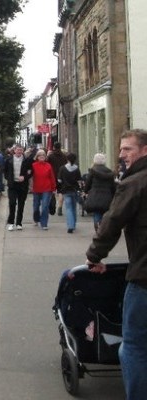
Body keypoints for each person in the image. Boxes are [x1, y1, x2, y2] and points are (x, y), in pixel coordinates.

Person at [84, 129, 147, 400]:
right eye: (120, 150)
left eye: (128, 149)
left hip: (144, 277)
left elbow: (112, 223)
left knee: (132, 346)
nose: (121, 155)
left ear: (144, 151)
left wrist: (94, 256)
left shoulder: (135, 183)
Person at [83, 153, 116, 232]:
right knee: (105, 212)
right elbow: (113, 186)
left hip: (95, 195)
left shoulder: (93, 171)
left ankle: (97, 226)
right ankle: (103, 226)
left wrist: (85, 191)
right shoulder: (109, 172)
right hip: (107, 196)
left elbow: (88, 183)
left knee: (97, 212)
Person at [3, 144, 33, 231]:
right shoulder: (8, 160)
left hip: (23, 185)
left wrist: (25, 177)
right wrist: (9, 178)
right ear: (14, 150)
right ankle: (11, 223)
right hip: (12, 185)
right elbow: (5, 171)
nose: (19, 151)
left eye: (21, 150)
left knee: (21, 204)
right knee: (12, 203)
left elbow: (31, 172)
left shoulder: (27, 160)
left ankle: (19, 223)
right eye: (18, 150)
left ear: (22, 151)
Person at [31, 149, 56, 230]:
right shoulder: (33, 165)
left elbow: (52, 177)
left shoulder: (48, 166)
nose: (42, 157)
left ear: (45, 157)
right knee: (36, 206)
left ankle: (44, 223)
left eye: (43, 156)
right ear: (37, 157)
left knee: (45, 206)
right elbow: (30, 177)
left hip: (47, 188)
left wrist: (53, 188)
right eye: (40, 155)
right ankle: (36, 218)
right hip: (36, 188)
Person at [58, 153, 82, 234]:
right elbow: (79, 180)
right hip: (74, 190)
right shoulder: (77, 168)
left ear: (67, 159)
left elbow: (59, 180)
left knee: (68, 208)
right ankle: (74, 224)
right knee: (74, 207)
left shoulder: (62, 168)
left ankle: (70, 226)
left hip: (65, 190)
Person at [47, 142, 68, 216]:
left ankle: (52, 204)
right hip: (62, 176)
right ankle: (60, 207)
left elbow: (47, 165)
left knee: (52, 191)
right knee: (61, 192)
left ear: (53, 147)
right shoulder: (64, 156)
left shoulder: (50, 156)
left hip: (52, 176)